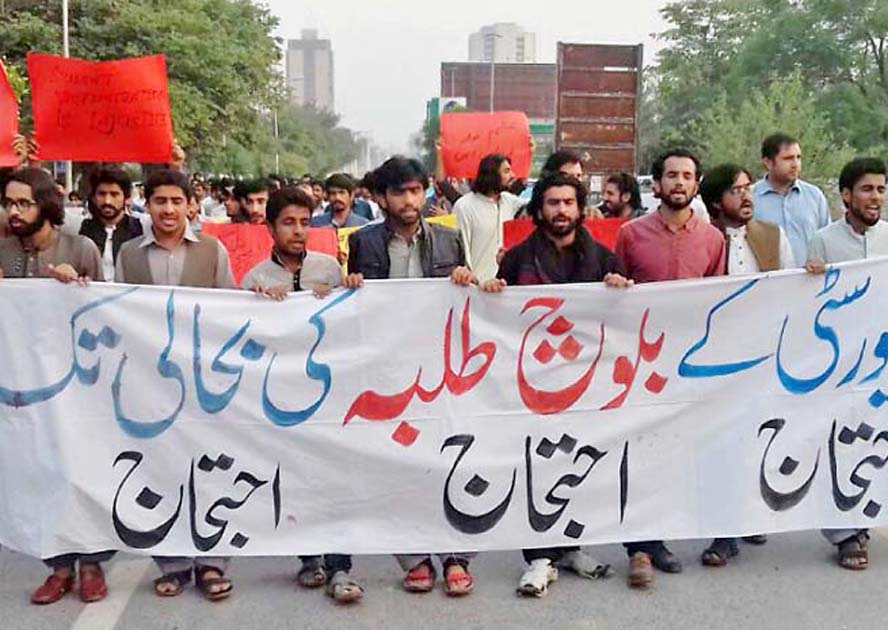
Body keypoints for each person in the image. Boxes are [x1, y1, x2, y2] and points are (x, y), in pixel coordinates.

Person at [480, 172, 631, 597]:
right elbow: (500, 319)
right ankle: (538, 557)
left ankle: (570, 548)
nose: (561, 210)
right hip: (532, 381)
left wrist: (619, 289)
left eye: (568, 202)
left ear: (580, 208)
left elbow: (622, 321)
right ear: (539, 209)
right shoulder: (518, 260)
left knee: (580, 462)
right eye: (552, 202)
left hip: (587, 381)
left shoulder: (603, 259)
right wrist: (493, 291)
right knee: (537, 464)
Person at [344, 156, 476, 597]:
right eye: (399, 192)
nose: (409, 200)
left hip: (440, 368)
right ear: (382, 198)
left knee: (449, 458)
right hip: (388, 371)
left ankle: (455, 556)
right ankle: (414, 558)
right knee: (397, 464)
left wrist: (466, 279)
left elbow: (466, 300)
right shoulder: (363, 242)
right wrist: (352, 287)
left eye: (416, 190)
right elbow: (356, 307)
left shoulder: (448, 240)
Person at [115, 169, 236, 601]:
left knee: (209, 468)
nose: (168, 209)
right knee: (159, 469)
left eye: (176, 201)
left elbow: (230, 312)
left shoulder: (212, 250)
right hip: (148, 383)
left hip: (203, 382)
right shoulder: (128, 253)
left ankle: (212, 562)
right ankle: (173, 564)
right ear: (146, 205)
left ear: (191, 205)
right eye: (159, 201)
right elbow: (117, 311)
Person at [614, 148, 725, 589]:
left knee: (684, 452)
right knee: (643, 453)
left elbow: (719, 301)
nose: (679, 182)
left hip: (692, 364)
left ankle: (674, 534)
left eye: (687, 176)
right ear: (657, 184)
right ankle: (641, 547)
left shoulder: (713, 239)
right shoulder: (630, 234)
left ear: (697, 185)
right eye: (671, 175)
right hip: (642, 364)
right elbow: (613, 297)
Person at [0, 168, 110, 604]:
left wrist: (75, 286)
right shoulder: (4, 251)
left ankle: (92, 564)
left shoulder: (80, 248)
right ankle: (58, 567)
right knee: (39, 471)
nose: (14, 211)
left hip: (77, 382)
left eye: (23, 203)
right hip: (24, 385)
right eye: (9, 203)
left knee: (82, 470)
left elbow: (109, 311)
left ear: (46, 204)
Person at [805, 157, 888, 573]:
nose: (876, 197)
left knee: (877, 442)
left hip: (881, 362)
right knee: (838, 442)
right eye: (867, 189)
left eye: (881, 189)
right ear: (846, 196)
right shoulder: (822, 241)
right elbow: (807, 303)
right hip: (838, 364)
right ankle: (843, 534)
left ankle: (866, 521)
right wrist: (811, 276)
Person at [753, 132, 831, 266]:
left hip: (810, 276)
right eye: (788, 158)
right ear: (768, 163)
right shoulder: (751, 198)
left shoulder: (814, 196)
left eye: (798, 157)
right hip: (768, 277)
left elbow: (827, 239)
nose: (795, 164)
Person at [454, 153, 524, 282]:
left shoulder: (509, 201)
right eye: (506, 171)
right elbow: (461, 251)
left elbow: (537, 206)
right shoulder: (464, 206)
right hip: (474, 287)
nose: (512, 175)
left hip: (504, 286)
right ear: (492, 174)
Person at [78, 167, 144, 282]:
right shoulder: (82, 230)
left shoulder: (141, 228)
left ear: (127, 198)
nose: (107, 201)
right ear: (93, 197)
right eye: (102, 194)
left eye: (114, 194)